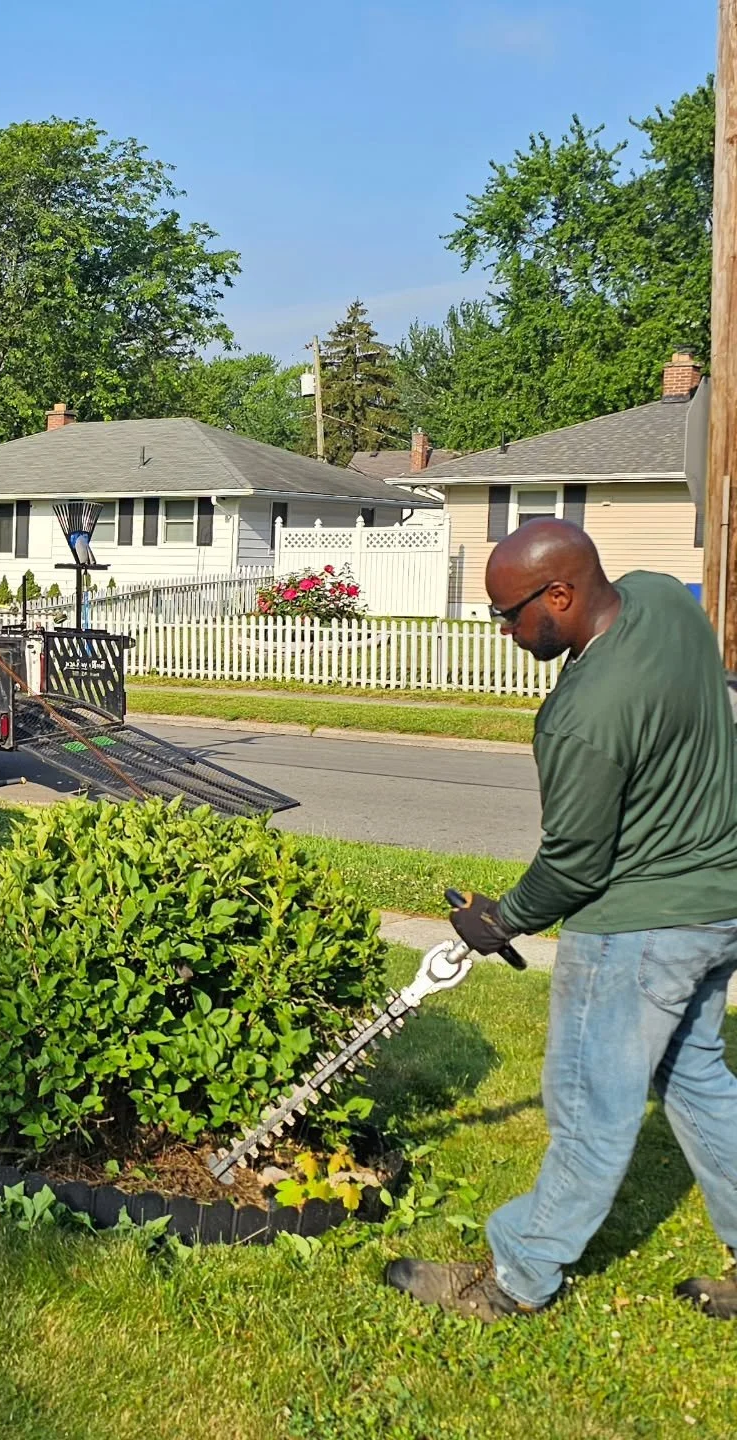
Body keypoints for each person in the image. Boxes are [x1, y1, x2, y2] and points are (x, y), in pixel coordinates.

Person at [384, 520, 737, 1323]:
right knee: (697, 1079)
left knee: (589, 1105)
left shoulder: (581, 715)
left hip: (638, 929)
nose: (504, 631)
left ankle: (518, 1277)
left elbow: (576, 865)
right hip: (721, 901)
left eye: (509, 614)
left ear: (562, 595)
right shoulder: (661, 601)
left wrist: (499, 921)